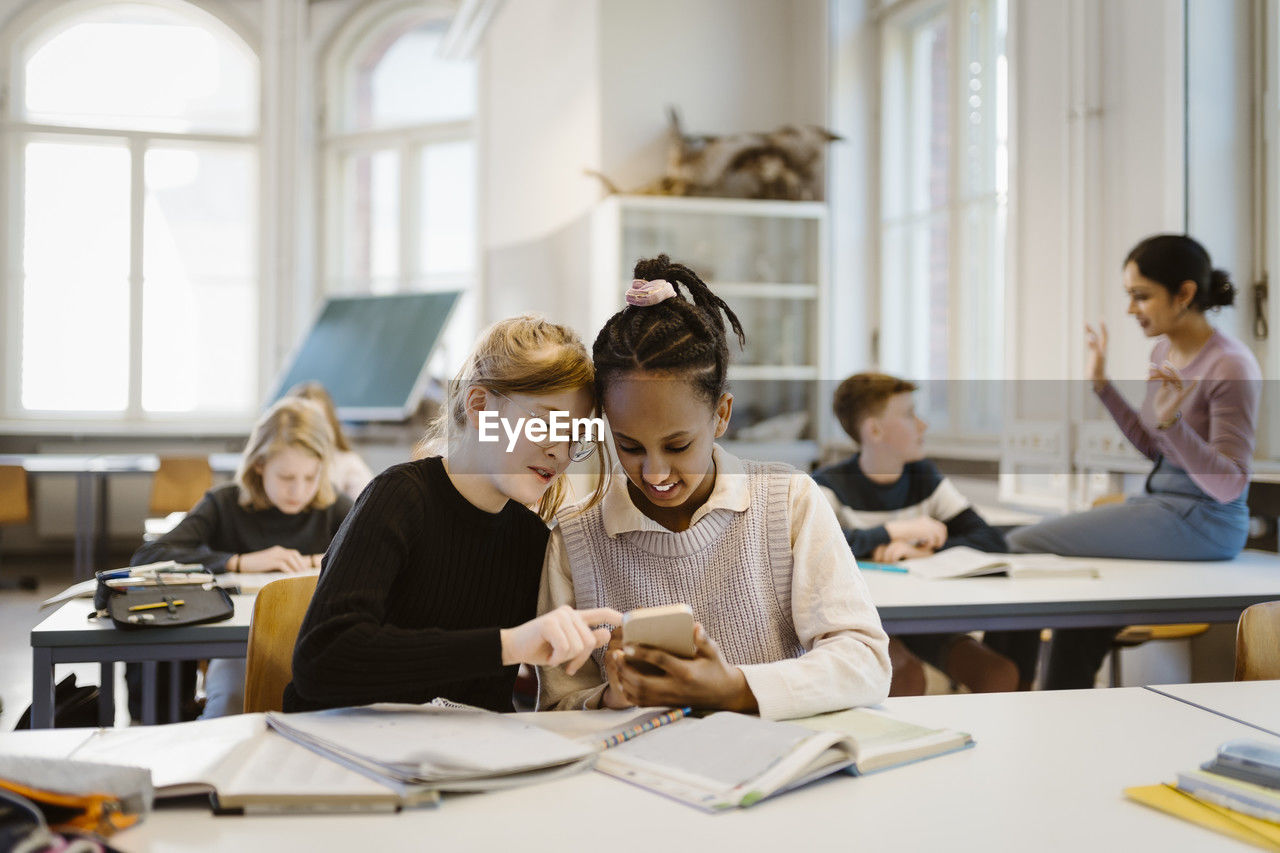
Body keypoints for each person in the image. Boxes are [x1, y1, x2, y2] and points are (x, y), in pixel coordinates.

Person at [539, 255, 891, 720]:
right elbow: (559, 704)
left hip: (771, 767)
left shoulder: (790, 502)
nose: (656, 473)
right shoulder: (573, 539)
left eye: (678, 445)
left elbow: (864, 661)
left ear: (721, 415)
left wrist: (734, 689)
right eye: (629, 446)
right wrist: (609, 696)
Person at [284, 315, 622, 713]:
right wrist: (508, 645)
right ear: (479, 405)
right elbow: (323, 660)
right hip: (342, 749)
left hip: (451, 760)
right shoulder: (399, 498)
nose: (560, 453)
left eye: (573, 437)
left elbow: (488, 704)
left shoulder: (531, 539)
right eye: (547, 423)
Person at [1008, 233, 1262, 689]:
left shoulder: (1230, 366)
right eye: (1129, 296)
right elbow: (1155, 449)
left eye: (1141, 296)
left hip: (1206, 521)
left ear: (1184, 294)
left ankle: (1007, 686)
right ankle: (1050, 710)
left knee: (1021, 543)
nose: (1131, 310)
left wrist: (1173, 427)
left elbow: (1231, 486)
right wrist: (1103, 385)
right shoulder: (1163, 351)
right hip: (1160, 505)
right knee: (1076, 611)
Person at [131, 397, 354, 718]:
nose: (299, 490)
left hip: (315, 644)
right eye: (286, 478)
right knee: (231, 706)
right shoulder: (225, 503)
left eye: (310, 477)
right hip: (238, 646)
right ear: (259, 465)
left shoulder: (333, 505)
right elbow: (149, 556)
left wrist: (324, 561)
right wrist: (238, 561)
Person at [813, 372, 1035, 694]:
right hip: (861, 621)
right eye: (908, 415)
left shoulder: (924, 477)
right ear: (874, 430)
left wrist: (922, 552)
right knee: (904, 675)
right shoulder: (828, 485)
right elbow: (826, 547)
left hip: (921, 618)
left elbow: (990, 540)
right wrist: (895, 530)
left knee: (998, 673)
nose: (922, 425)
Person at [286, 381, 374, 500]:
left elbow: (367, 509)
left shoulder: (349, 465)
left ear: (330, 423)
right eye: (302, 421)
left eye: (318, 420)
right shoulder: (281, 464)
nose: (310, 429)